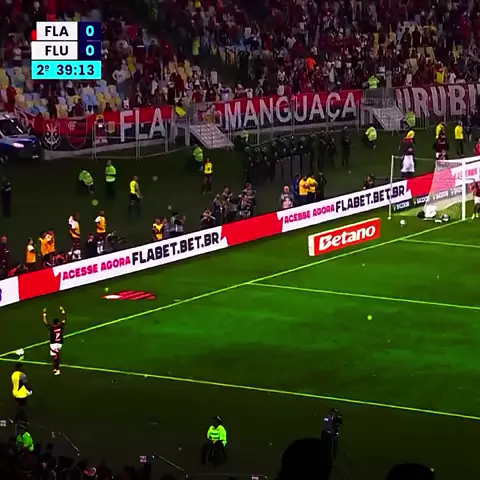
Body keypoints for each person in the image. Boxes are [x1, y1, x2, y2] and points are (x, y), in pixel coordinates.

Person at [43, 306, 66, 376]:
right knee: (55, 356)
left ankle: (57, 369)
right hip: (60, 343)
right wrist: (63, 311)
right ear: (58, 322)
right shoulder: (60, 326)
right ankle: (56, 368)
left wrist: (44, 314)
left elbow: (45, 322)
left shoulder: (52, 327)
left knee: (55, 357)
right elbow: (64, 320)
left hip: (53, 344)